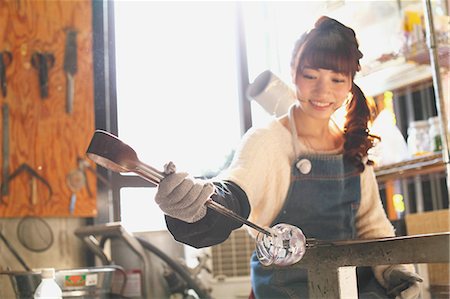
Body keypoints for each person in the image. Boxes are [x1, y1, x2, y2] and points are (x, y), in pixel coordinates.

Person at [154, 16, 422, 299]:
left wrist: (394, 270)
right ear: (293, 71)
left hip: (352, 288)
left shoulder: (352, 147)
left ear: (349, 84)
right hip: (285, 289)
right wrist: (196, 207)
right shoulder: (266, 141)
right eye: (310, 76)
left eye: (337, 79)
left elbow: (372, 228)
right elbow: (233, 195)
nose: (323, 91)